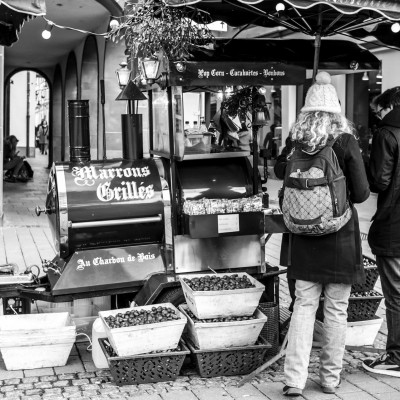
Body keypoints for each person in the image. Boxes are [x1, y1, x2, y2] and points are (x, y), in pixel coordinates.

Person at [275, 72, 370, 397]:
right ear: (336, 109)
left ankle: (294, 380)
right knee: (336, 308)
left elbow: (277, 171)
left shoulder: (296, 140)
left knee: (303, 304)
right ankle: (330, 379)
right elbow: (360, 194)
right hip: (340, 234)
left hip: (303, 236)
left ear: (307, 110)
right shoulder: (345, 141)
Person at [361, 87, 400, 377]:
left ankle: (396, 357)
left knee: (396, 295)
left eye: (379, 111)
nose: (379, 117)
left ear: (389, 107)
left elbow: (379, 181)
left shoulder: (388, 134)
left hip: (395, 226)